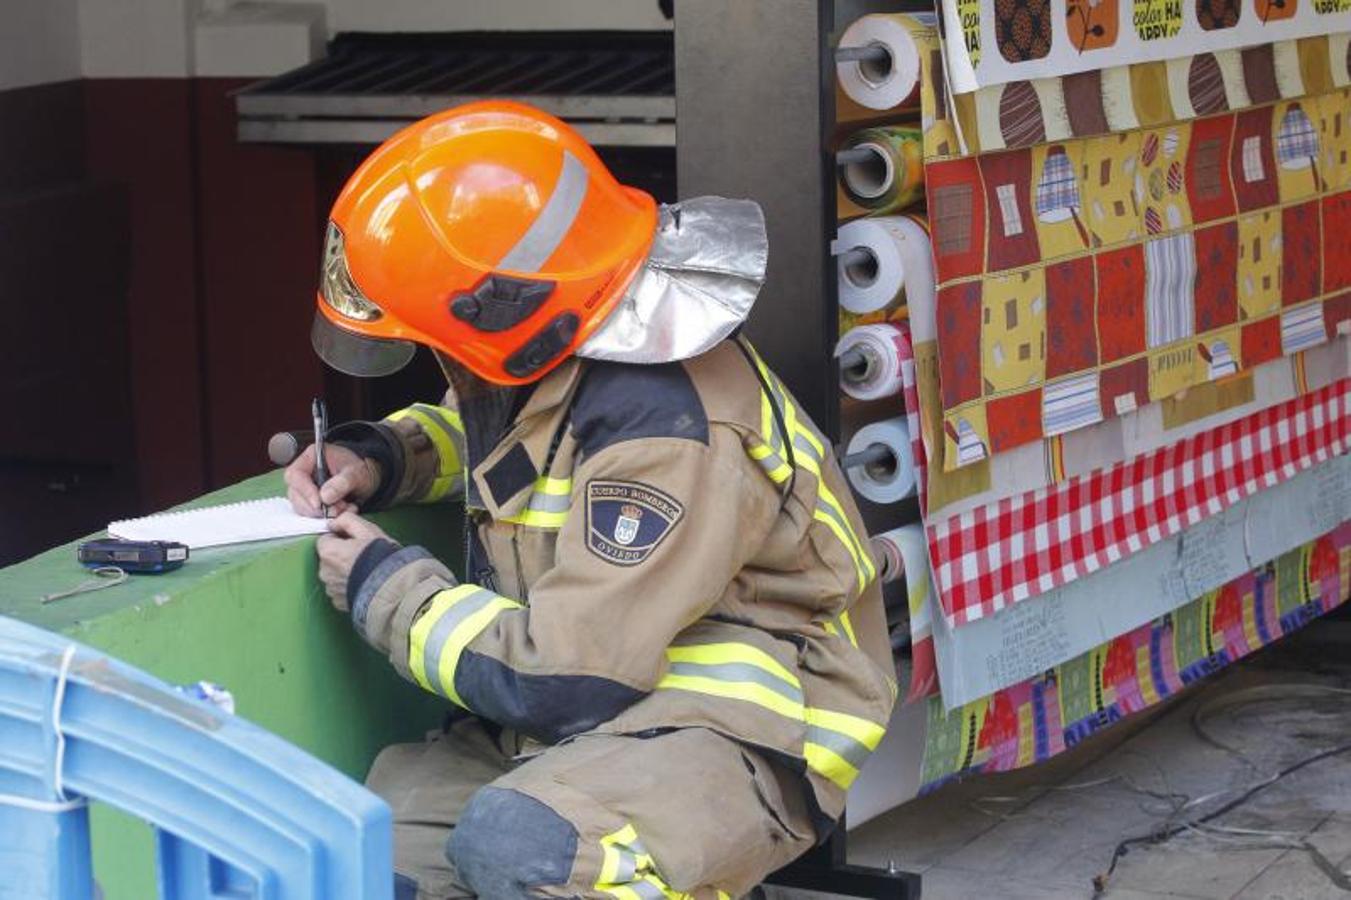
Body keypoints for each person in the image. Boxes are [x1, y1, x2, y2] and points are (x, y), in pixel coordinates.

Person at [286, 101, 896, 900]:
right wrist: (383, 457)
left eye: (436, 338)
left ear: (497, 309)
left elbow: (566, 678)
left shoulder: (664, 429)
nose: (437, 358)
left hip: (739, 728)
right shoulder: (573, 337)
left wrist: (384, 587)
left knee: (523, 848)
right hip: (603, 703)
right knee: (350, 858)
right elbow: (518, 445)